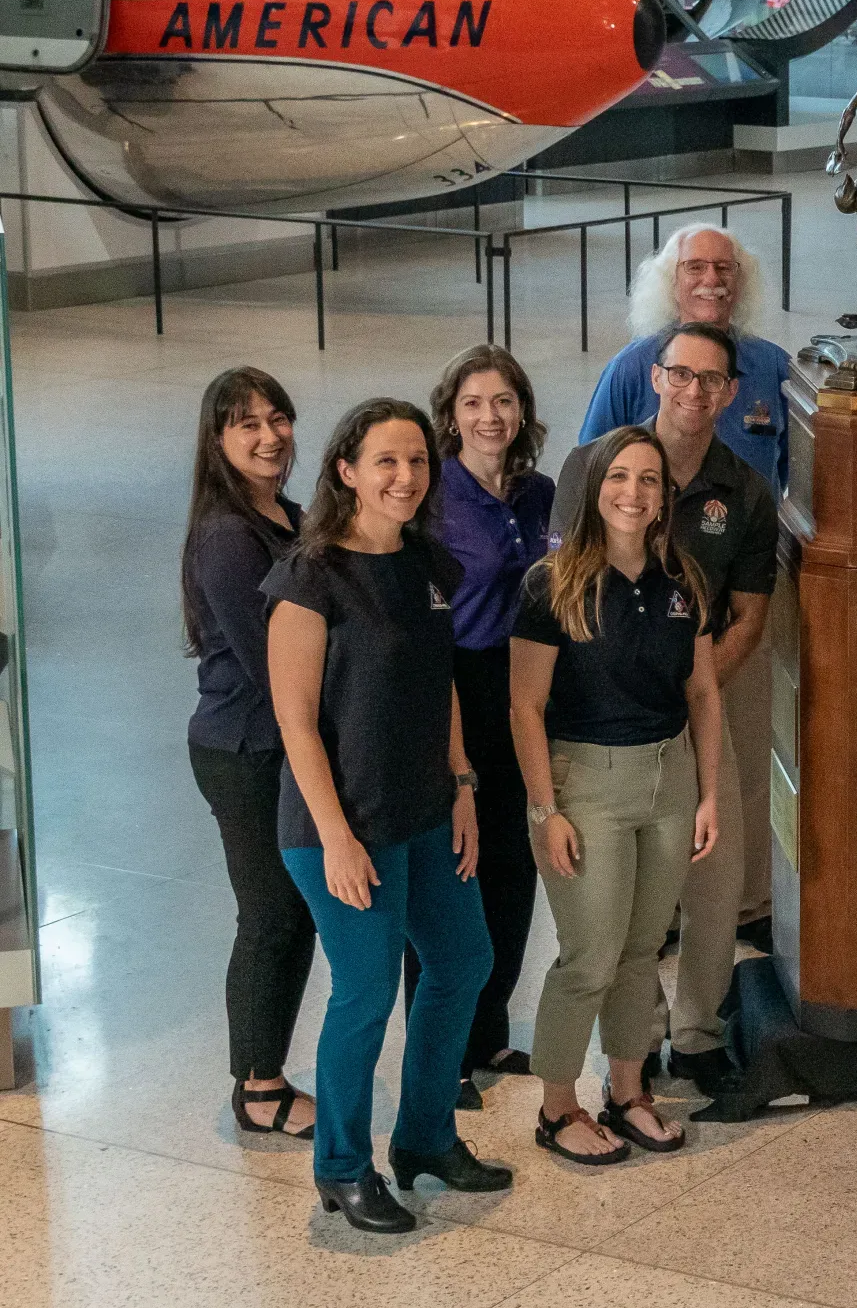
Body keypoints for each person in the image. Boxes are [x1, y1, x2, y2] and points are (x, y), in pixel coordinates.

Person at [265, 399, 511, 1234]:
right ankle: (340, 1165)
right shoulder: (310, 575)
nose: (405, 478)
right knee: (367, 989)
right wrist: (335, 835)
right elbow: (296, 720)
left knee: (462, 961)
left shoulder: (428, 564)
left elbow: (439, 684)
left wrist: (464, 783)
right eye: (385, 462)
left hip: (427, 813)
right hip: (342, 826)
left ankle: (425, 1137)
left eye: (416, 462)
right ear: (346, 471)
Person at [554, 322, 779, 1100]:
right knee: (622, 901)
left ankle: (699, 1035)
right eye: (680, 374)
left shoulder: (745, 490)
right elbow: (561, 591)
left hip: (696, 712)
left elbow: (749, 614)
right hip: (602, 724)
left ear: (730, 393)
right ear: (654, 378)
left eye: (711, 381)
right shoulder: (592, 467)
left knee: (715, 886)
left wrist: (690, 686)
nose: (693, 391)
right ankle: (635, 1041)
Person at [513, 426, 723, 1167]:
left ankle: (629, 1091)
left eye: (649, 480)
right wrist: (546, 810)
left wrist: (708, 795)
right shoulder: (552, 582)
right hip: (587, 783)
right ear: (594, 487)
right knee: (591, 954)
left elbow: (701, 690)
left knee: (641, 948)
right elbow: (526, 707)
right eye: (619, 478)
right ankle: (558, 1104)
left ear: (666, 496)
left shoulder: (682, 581)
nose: (634, 493)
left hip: (669, 778)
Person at [411, 344, 555, 1110]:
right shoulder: (434, 497)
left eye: (503, 401)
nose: (489, 416)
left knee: (512, 866)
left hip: (525, 689)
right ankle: (445, 1053)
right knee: (454, 870)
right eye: (473, 403)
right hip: (457, 686)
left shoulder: (540, 494)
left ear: (522, 411)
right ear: (451, 414)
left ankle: (490, 1025)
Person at [181, 367, 317, 1141]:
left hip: (282, 743)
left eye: (279, 417)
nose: (270, 436)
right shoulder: (228, 536)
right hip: (244, 750)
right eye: (247, 425)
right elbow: (272, 661)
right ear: (219, 441)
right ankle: (257, 1087)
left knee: (292, 912)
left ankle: (269, 1068)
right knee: (269, 914)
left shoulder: (289, 517)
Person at [577, 222, 788, 500]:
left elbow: (790, 469)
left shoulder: (774, 367)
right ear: (671, 283)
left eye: (724, 267)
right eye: (695, 267)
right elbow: (589, 468)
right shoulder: (629, 368)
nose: (712, 279)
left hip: (748, 537)